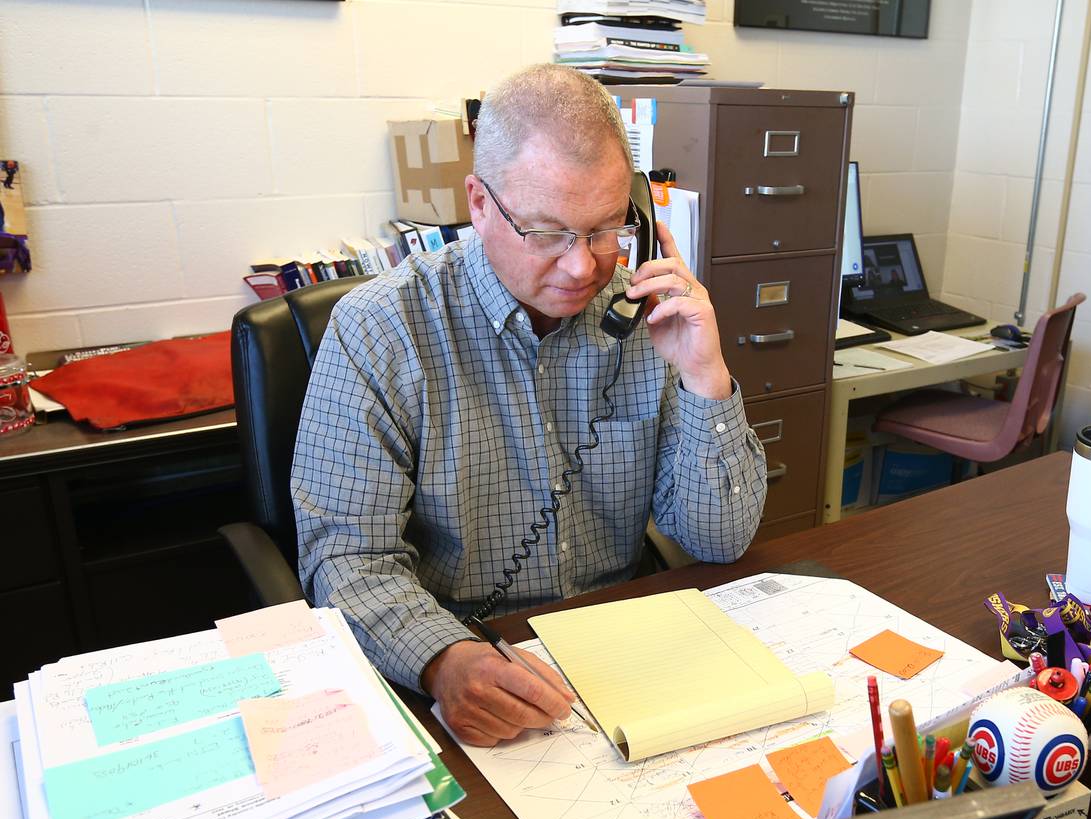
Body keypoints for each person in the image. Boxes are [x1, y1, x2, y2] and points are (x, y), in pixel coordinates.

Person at [292, 65, 767, 747]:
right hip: (464, 659)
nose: (583, 268)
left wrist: (705, 375)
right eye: (547, 233)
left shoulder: (646, 316)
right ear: (480, 204)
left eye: (607, 229)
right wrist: (441, 658)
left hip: (622, 649)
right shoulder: (382, 328)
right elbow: (346, 557)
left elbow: (717, 539)